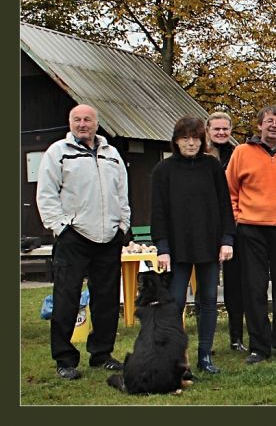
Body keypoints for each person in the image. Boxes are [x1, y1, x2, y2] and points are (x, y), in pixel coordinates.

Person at [36, 104, 130, 380]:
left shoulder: (112, 154)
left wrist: (122, 226)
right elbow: (46, 194)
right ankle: (64, 359)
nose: (82, 124)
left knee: (106, 300)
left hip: (109, 237)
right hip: (74, 237)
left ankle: (101, 354)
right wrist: (60, 228)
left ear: (97, 123)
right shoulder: (58, 152)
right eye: (77, 119)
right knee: (66, 299)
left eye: (87, 119)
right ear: (70, 123)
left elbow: (122, 194)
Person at [151, 115, 236, 375]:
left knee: (208, 300)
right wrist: (162, 247)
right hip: (177, 248)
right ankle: (178, 358)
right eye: (185, 138)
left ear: (202, 140)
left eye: (196, 138)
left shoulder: (212, 167)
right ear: (176, 141)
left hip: (209, 245)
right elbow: (158, 212)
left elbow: (225, 206)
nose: (191, 143)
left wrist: (227, 240)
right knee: (176, 301)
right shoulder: (163, 170)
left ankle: (205, 355)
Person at [226, 105, 276, 363]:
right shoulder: (242, 152)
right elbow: (230, 190)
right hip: (251, 229)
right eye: (270, 121)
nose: (274, 125)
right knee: (254, 288)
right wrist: (237, 219)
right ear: (260, 125)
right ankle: (259, 347)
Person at [205, 112, 246, 351]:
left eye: (225, 129)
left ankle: (236, 336)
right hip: (206, 226)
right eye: (216, 129)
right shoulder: (200, 154)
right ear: (208, 131)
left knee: (235, 284)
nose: (221, 133)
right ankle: (206, 339)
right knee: (207, 285)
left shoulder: (238, 154)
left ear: (230, 130)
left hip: (233, 224)